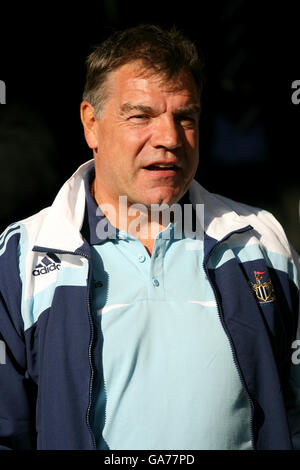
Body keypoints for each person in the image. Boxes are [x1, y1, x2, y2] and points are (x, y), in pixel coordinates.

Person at [0, 24, 299, 451]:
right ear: (91, 124)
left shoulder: (260, 242)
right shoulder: (22, 258)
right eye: (141, 116)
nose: (170, 139)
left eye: (185, 117)